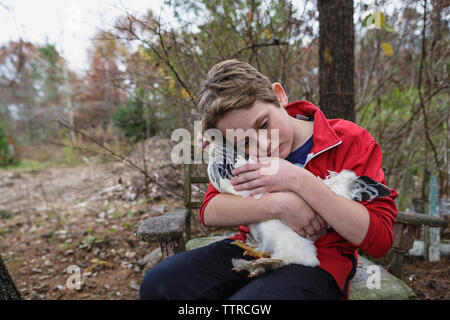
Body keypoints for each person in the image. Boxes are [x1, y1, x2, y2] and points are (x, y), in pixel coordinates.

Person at [139, 59, 398, 300]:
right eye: (245, 141)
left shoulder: (349, 140)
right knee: (159, 283)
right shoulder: (239, 156)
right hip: (254, 246)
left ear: (279, 96)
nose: (263, 145)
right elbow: (210, 211)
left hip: (319, 262)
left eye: (263, 124)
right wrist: (280, 205)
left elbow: (380, 241)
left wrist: (298, 179)